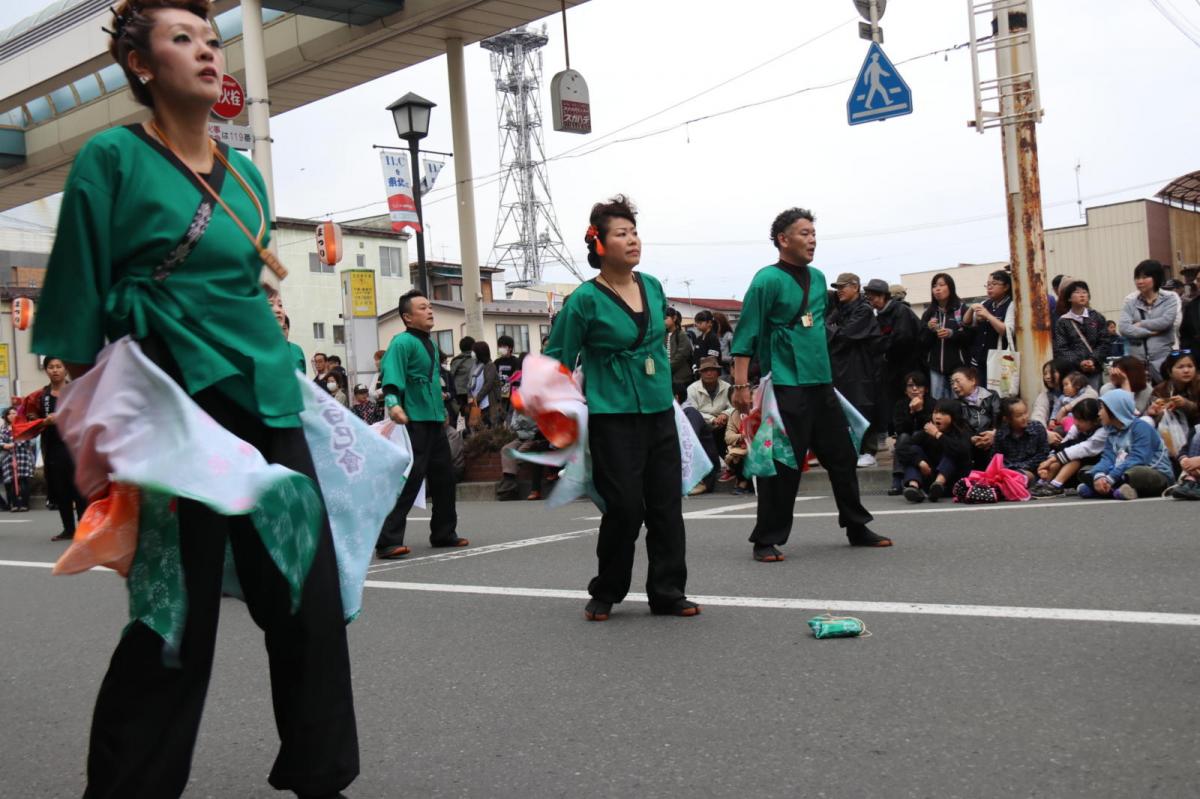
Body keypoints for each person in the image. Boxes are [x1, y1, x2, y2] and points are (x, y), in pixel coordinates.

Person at [31, 2, 359, 794]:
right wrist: (99, 435)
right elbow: (75, 307)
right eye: (185, 40)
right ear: (141, 65)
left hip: (268, 401)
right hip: (173, 414)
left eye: (215, 40)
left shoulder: (244, 175)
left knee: (307, 603)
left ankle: (321, 774)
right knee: (175, 620)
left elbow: (245, 290)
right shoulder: (110, 159)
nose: (210, 53)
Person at [543, 194, 699, 620]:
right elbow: (557, 357)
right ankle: (607, 588)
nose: (633, 240)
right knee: (626, 507)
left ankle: (668, 591)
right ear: (599, 244)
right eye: (621, 233)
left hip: (658, 410)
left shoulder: (652, 285)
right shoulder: (584, 300)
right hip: (612, 417)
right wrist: (560, 414)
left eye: (634, 232)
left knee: (667, 505)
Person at [730, 207, 891, 563]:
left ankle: (856, 525)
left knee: (843, 456)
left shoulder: (818, 278)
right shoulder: (765, 280)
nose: (812, 239)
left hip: (821, 381)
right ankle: (767, 538)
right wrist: (741, 385)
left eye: (813, 233)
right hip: (786, 383)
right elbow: (747, 332)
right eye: (804, 233)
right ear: (783, 239)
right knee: (785, 463)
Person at [376, 290, 469, 560]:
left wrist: (443, 410)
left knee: (444, 478)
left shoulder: (429, 343)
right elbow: (391, 377)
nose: (429, 311)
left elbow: (431, 381)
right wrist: (393, 403)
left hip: (433, 420)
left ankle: (443, 532)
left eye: (430, 307)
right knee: (411, 479)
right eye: (422, 308)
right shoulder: (401, 342)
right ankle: (387, 541)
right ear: (407, 317)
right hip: (413, 420)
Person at [22, 357, 88, 539]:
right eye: (51, 367)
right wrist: (44, 421)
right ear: (46, 371)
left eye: (59, 366)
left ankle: (85, 529)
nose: (55, 370)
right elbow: (29, 419)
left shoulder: (77, 391)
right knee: (61, 489)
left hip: (77, 446)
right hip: (53, 447)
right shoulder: (40, 396)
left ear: (66, 369)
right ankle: (68, 529)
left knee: (80, 489)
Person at [826, 272, 883, 467]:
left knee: (862, 405)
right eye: (837, 287)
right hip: (841, 367)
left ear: (856, 287)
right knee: (844, 408)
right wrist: (834, 331)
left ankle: (868, 450)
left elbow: (846, 335)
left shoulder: (864, 310)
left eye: (843, 287)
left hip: (861, 367)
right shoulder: (839, 309)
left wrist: (833, 331)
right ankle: (851, 450)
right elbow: (828, 328)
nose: (839, 291)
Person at [1078, 389, 1174, 500]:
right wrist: (1099, 475)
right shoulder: (1112, 431)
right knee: (1086, 471)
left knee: (1135, 473)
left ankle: (1106, 489)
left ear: (1114, 409)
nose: (1099, 413)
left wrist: (1110, 477)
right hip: (1119, 473)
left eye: (1101, 408)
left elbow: (1139, 458)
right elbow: (1108, 458)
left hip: (1154, 473)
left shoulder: (1141, 427)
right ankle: (1114, 489)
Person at [865, 278, 921, 441]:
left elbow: (902, 339)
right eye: (869, 298)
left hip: (909, 367)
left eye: (874, 297)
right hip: (893, 369)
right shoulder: (880, 315)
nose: (872, 302)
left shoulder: (900, 311)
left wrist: (883, 344)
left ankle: (912, 437)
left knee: (910, 401)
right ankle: (901, 436)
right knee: (896, 404)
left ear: (883, 296)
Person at [897, 398, 972, 503]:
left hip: (953, 482)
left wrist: (938, 435)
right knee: (914, 450)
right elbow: (902, 448)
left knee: (952, 451)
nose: (937, 416)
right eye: (935, 412)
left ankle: (938, 484)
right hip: (930, 479)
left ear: (953, 416)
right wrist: (920, 462)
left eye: (943, 413)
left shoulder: (962, 431)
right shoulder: (927, 432)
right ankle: (914, 487)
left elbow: (962, 450)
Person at [1119, 259, 1182, 383]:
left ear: (1156, 278)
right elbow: (1123, 328)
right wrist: (1149, 332)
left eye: (1145, 277)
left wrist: (1140, 324)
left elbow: (1166, 322)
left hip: (1162, 358)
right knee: (1141, 397)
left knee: (1166, 394)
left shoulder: (1169, 299)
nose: (1139, 281)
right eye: (1137, 278)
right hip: (1137, 361)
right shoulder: (1130, 302)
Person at [1032, 398, 1107, 497]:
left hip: (1092, 466)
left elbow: (1082, 449)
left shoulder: (1103, 432)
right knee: (1059, 458)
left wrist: (1051, 460)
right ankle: (1043, 482)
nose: (1076, 422)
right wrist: (1050, 460)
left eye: (1081, 420)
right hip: (1074, 463)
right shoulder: (1077, 428)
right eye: (1075, 418)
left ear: (1095, 421)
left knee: (1073, 459)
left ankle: (1056, 485)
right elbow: (1065, 444)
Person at [683, 355, 732, 495]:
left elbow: (733, 407)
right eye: (705, 370)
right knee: (692, 416)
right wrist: (712, 419)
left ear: (718, 372)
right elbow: (693, 410)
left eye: (712, 370)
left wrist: (725, 415)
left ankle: (733, 469)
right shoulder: (692, 388)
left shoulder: (727, 387)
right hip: (703, 425)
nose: (709, 373)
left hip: (723, 425)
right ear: (700, 373)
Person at [1052, 279, 1111, 389]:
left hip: (1094, 369)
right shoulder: (1063, 322)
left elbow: (1104, 342)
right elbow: (1061, 348)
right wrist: (1080, 362)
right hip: (1074, 372)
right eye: (1077, 292)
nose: (1082, 295)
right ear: (1069, 298)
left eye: (1085, 292)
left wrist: (1093, 360)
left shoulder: (1097, 317)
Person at [919, 272, 970, 400]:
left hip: (958, 367)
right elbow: (922, 342)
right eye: (934, 286)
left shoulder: (961, 309)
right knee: (937, 402)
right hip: (935, 368)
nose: (937, 289)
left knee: (958, 403)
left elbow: (970, 336)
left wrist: (951, 334)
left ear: (950, 288)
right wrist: (929, 329)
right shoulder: (928, 313)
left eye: (942, 285)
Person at [966, 269, 1015, 388]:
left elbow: (1006, 331)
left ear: (1006, 287)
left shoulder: (1011, 304)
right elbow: (966, 322)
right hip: (979, 359)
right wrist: (972, 308)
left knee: (998, 395)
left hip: (1000, 361)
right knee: (979, 395)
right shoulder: (985, 303)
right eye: (988, 284)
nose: (989, 287)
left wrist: (988, 316)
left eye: (994, 284)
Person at [889, 371, 933, 495]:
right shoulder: (900, 405)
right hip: (906, 441)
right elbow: (900, 429)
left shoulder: (932, 403)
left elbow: (929, 426)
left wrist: (919, 411)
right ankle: (898, 478)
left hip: (926, 441)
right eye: (910, 386)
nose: (914, 389)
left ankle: (901, 480)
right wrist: (911, 412)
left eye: (918, 385)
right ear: (905, 390)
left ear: (925, 389)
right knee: (903, 438)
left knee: (910, 439)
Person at [948, 366, 1000, 469]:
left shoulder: (991, 395)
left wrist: (994, 433)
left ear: (972, 380)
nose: (954, 386)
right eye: (952, 383)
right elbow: (960, 428)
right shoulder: (956, 404)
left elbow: (998, 416)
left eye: (957, 381)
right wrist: (971, 438)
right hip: (972, 443)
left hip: (993, 439)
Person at [992, 397, 1050, 486]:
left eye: (1025, 413)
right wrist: (1008, 469)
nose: (1024, 417)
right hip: (1007, 471)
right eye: (1019, 415)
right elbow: (997, 457)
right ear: (1007, 419)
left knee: (1022, 476)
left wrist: (1019, 467)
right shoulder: (1001, 433)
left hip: (1032, 471)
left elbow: (1042, 454)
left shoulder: (1037, 428)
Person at [1145, 349, 1200, 427]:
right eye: (1180, 367)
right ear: (1169, 371)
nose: (1186, 370)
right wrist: (1160, 411)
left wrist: (1186, 404)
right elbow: (1155, 417)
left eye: (1190, 366)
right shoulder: (1160, 390)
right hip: (1172, 427)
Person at [0, 406, 34, 511]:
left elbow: (27, 439)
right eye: (10, 413)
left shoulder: (23, 426)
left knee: (23, 480)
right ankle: (14, 504)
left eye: (14, 413)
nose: (12, 415)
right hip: (8, 458)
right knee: (10, 482)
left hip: (22, 456)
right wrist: (4, 445)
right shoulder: (4, 428)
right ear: (6, 416)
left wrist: (13, 444)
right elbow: (0, 440)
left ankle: (24, 504)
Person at [467, 340, 500, 428]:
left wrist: (477, 398)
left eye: (474, 351)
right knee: (476, 427)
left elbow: (488, 385)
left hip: (486, 402)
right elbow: (470, 384)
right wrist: (470, 397)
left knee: (488, 427)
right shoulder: (474, 366)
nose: (472, 353)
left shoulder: (490, 365)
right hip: (475, 403)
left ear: (480, 352)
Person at [665, 306, 694, 401]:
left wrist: (667, 367)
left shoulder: (681, 334)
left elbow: (682, 355)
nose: (663, 321)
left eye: (665, 318)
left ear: (674, 318)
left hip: (681, 378)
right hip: (668, 376)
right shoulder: (662, 335)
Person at [448, 336, 476, 421]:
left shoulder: (455, 360)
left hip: (457, 394)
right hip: (470, 393)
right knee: (470, 418)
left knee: (454, 418)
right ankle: (469, 433)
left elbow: (451, 376)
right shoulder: (474, 360)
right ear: (473, 346)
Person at [494, 334, 521, 417]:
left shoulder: (516, 361)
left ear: (510, 348)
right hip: (499, 397)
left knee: (510, 420)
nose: (501, 348)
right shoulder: (496, 362)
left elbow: (518, 379)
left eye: (504, 346)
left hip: (512, 397)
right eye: (500, 346)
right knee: (498, 421)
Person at [712, 311, 735, 378]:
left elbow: (734, 357)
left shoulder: (729, 336)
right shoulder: (712, 337)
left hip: (727, 367)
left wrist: (719, 358)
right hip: (715, 367)